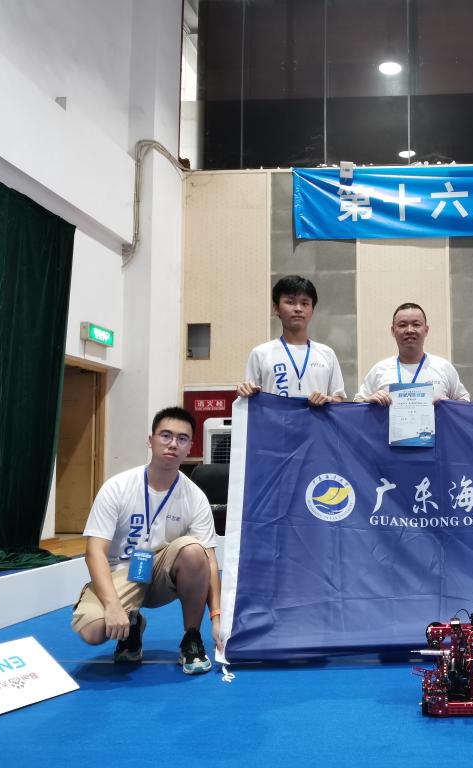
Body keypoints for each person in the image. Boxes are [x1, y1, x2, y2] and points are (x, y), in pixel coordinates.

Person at [71, 406, 221, 674]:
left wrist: (216, 617)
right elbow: (94, 551)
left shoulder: (195, 497)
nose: (173, 444)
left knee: (194, 550)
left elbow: (209, 561)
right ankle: (133, 623)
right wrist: (113, 606)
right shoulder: (117, 487)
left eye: (182, 438)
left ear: (190, 447)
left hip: (163, 573)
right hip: (123, 573)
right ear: (150, 440)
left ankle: (191, 637)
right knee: (93, 631)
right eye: (166, 435)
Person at [237, 275, 347, 405]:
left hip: (317, 419)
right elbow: (249, 399)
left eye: (305, 303)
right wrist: (245, 391)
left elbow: (339, 398)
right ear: (276, 308)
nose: (298, 309)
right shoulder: (260, 353)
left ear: (312, 310)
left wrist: (328, 400)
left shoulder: (327, 354)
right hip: (275, 419)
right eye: (290, 302)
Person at [355, 303, 469, 405]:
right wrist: (367, 401)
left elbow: (465, 402)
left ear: (426, 330)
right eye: (402, 325)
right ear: (393, 331)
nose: (409, 330)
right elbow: (356, 404)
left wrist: (450, 405)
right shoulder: (380, 370)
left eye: (416, 324)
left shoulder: (443, 367)